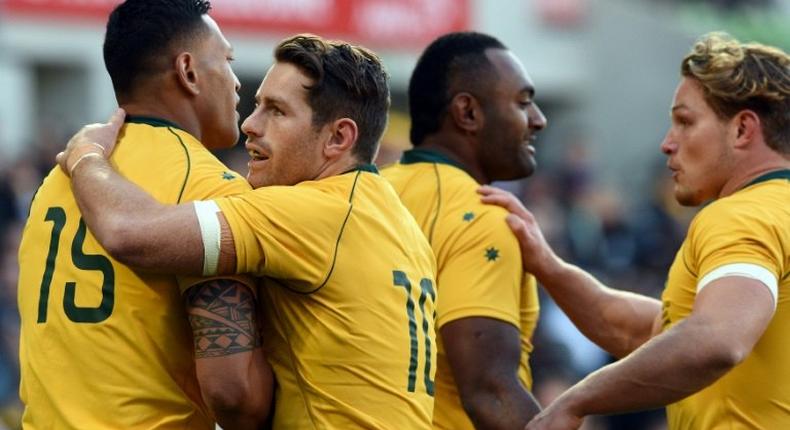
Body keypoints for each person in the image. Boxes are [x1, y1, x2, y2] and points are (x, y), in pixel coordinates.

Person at [55, 34, 438, 429]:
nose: (250, 125)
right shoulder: (397, 218)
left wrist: (86, 156)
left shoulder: (310, 213)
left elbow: (127, 232)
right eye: (257, 105)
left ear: (338, 138)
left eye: (277, 111)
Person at [480, 31, 790, 429]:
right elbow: (649, 332)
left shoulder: (741, 215)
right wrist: (549, 266)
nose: (667, 143)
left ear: (743, 129)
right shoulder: (774, 212)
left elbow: (717, 339)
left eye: (685, 121)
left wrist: (575, 400)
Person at [16, 1, 273, 428]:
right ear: (188, 71)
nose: (235, 82)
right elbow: (233, 392)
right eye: (227, 61)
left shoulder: (60, 178)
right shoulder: (212, 187)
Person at [382, 31, 545, 429]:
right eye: (523, 102)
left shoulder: (364, 192)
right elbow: (490, 391)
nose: (539, 119)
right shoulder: (483, 216)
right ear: (468, 112)